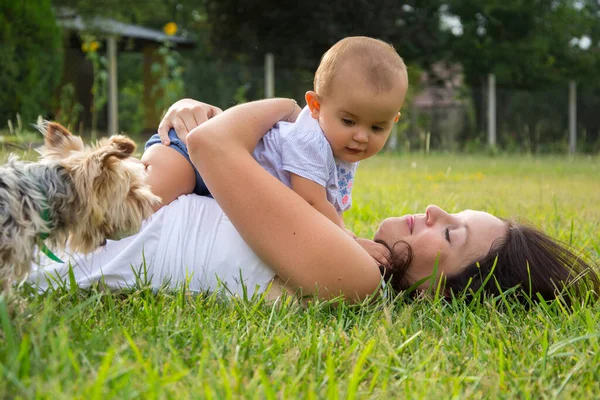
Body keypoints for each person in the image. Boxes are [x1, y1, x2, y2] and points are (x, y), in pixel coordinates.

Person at [27, 98, 600, 304]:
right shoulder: (337, 227)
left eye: (450, 235)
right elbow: (202, 156)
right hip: (63, 213)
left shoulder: (353, 277)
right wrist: (185, 107)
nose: (433, 212)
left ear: (437, 295)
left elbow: (210, 144)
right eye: (452, 212)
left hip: (42, 244)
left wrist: (298, 110)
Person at [143, 37, 409, 267]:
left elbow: (330, 206)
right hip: (190, 157)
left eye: (377, 127)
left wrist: (343, 231)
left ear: (393, 121)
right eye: (349, 121)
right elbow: (313, 204)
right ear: (315, 105)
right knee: (145, 200)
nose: (361, 136)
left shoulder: (342, 148)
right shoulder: (310, 140)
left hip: (223, 184)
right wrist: (351, 243)